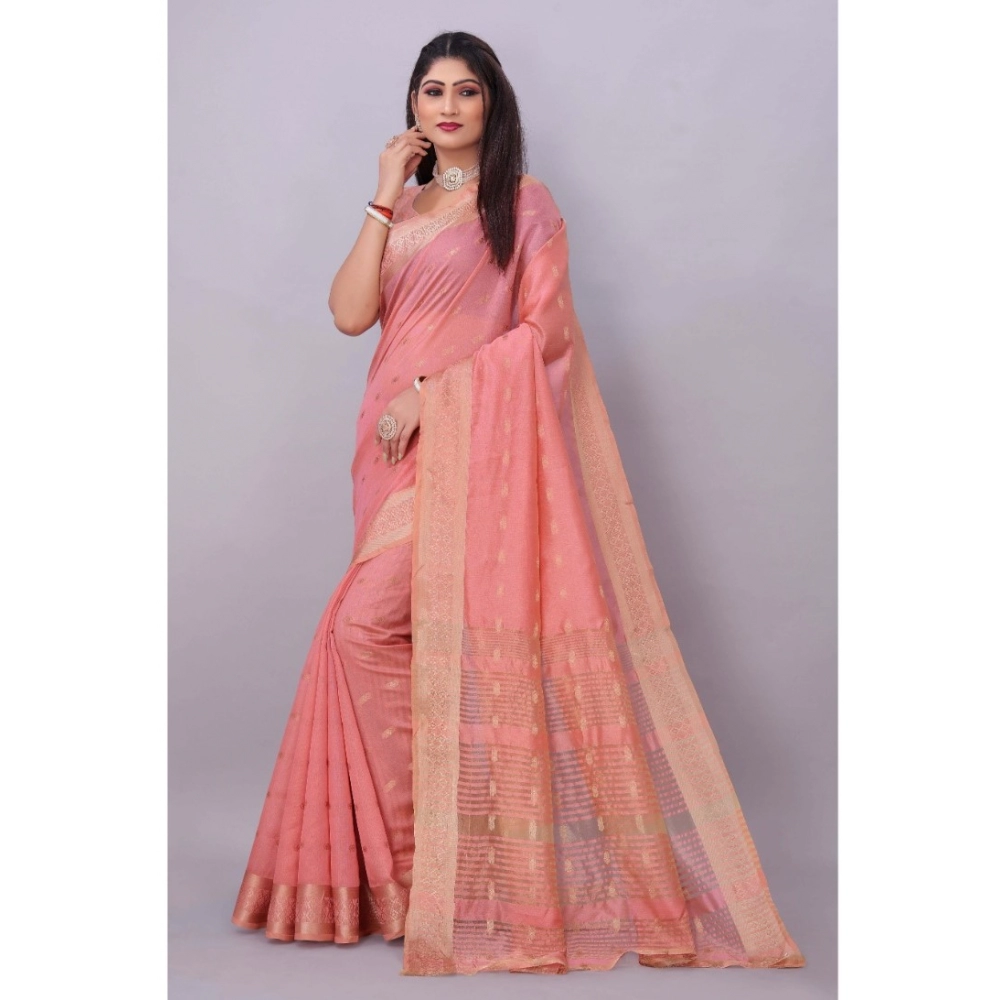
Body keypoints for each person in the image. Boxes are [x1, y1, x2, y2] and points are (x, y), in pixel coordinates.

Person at [232, 30, 806, 977]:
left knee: (364, 627)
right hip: (384, 450)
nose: (448, 106)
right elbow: (349, 313)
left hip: (463, 443)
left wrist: (436, 394)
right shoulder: (406, 206)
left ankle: (439, 871)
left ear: (493, 106)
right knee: (392, 637)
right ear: (411, 106)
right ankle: (423, 875)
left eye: (467, 91)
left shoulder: (523, 205)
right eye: (431, 91)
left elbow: (546, 335)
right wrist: (383, 191)